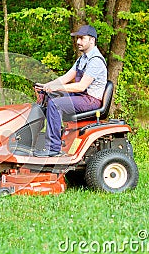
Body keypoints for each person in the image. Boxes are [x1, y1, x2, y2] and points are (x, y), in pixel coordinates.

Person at [34, 25, 107, 157]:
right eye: (77, 38)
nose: (78, 42)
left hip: (91, 100)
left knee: (55, 104)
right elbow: (66, 78)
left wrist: (57, 88)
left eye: (81, 38)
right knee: (49, 97)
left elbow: (81, 87)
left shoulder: (95, 61)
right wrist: (46, 86)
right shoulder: (83, 58)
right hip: (81, 96)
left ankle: (53, 149)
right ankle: (39, 138)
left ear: (92, 40)